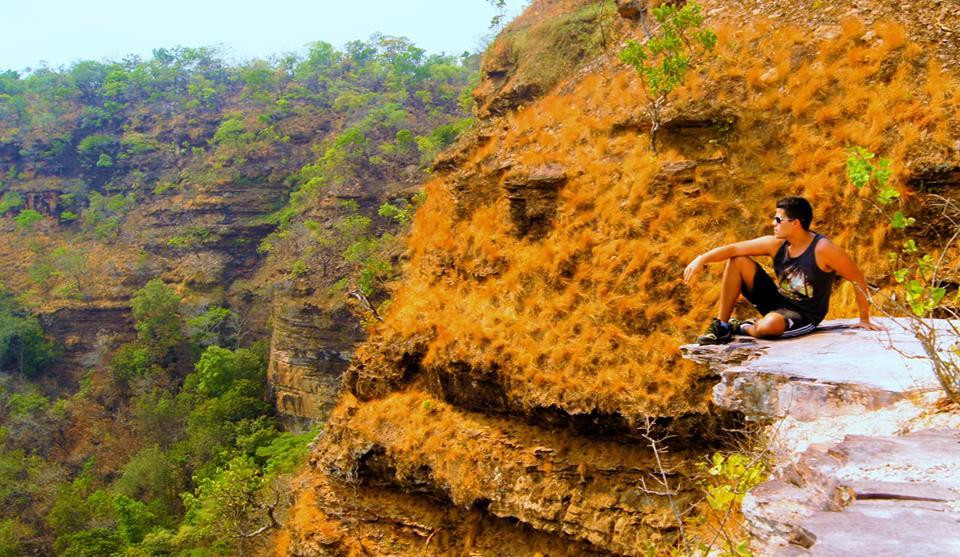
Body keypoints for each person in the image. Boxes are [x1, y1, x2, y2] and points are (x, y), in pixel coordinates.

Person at [683, 196, 881, 345]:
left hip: (803, 315)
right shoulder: (776, 244)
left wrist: (864, 318)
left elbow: (857, 278)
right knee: (738, 261)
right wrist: (702, 259)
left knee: (768, 327)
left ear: (795, 223)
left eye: (778, 220)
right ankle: (722, 326)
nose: (772, 223)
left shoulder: (823, 249)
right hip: (778, 301)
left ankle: (743, 327)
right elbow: (734, 249)